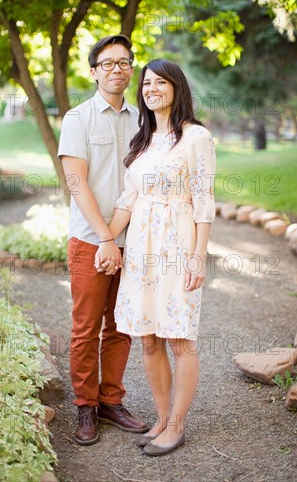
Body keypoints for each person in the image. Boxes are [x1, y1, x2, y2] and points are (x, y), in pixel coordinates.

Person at [95, 59, 216, 456]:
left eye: (160, 82)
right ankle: (162, 418)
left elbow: (203, 201)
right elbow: (129, 199)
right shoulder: (142, 140)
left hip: (178, 244)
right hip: (142, 250)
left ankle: (178, 425)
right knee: (148, 338)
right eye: (146, 83)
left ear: (176, 88)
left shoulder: (196, 138)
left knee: (180, 338)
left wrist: (199, 256)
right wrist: (106, 238)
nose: (152, 89)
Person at [58, 35, 148, 445]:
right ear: (93, 71)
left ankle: (111, 401)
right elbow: (77, 183)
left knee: (121, 327)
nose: (117, 69)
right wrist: (107, 238)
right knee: (85, 328)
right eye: (108, 63)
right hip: (91, 242)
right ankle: (86, 408)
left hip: (135, 241)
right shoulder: (77, 118)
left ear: (131, 69)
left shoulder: (143, 119)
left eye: (125, 62)